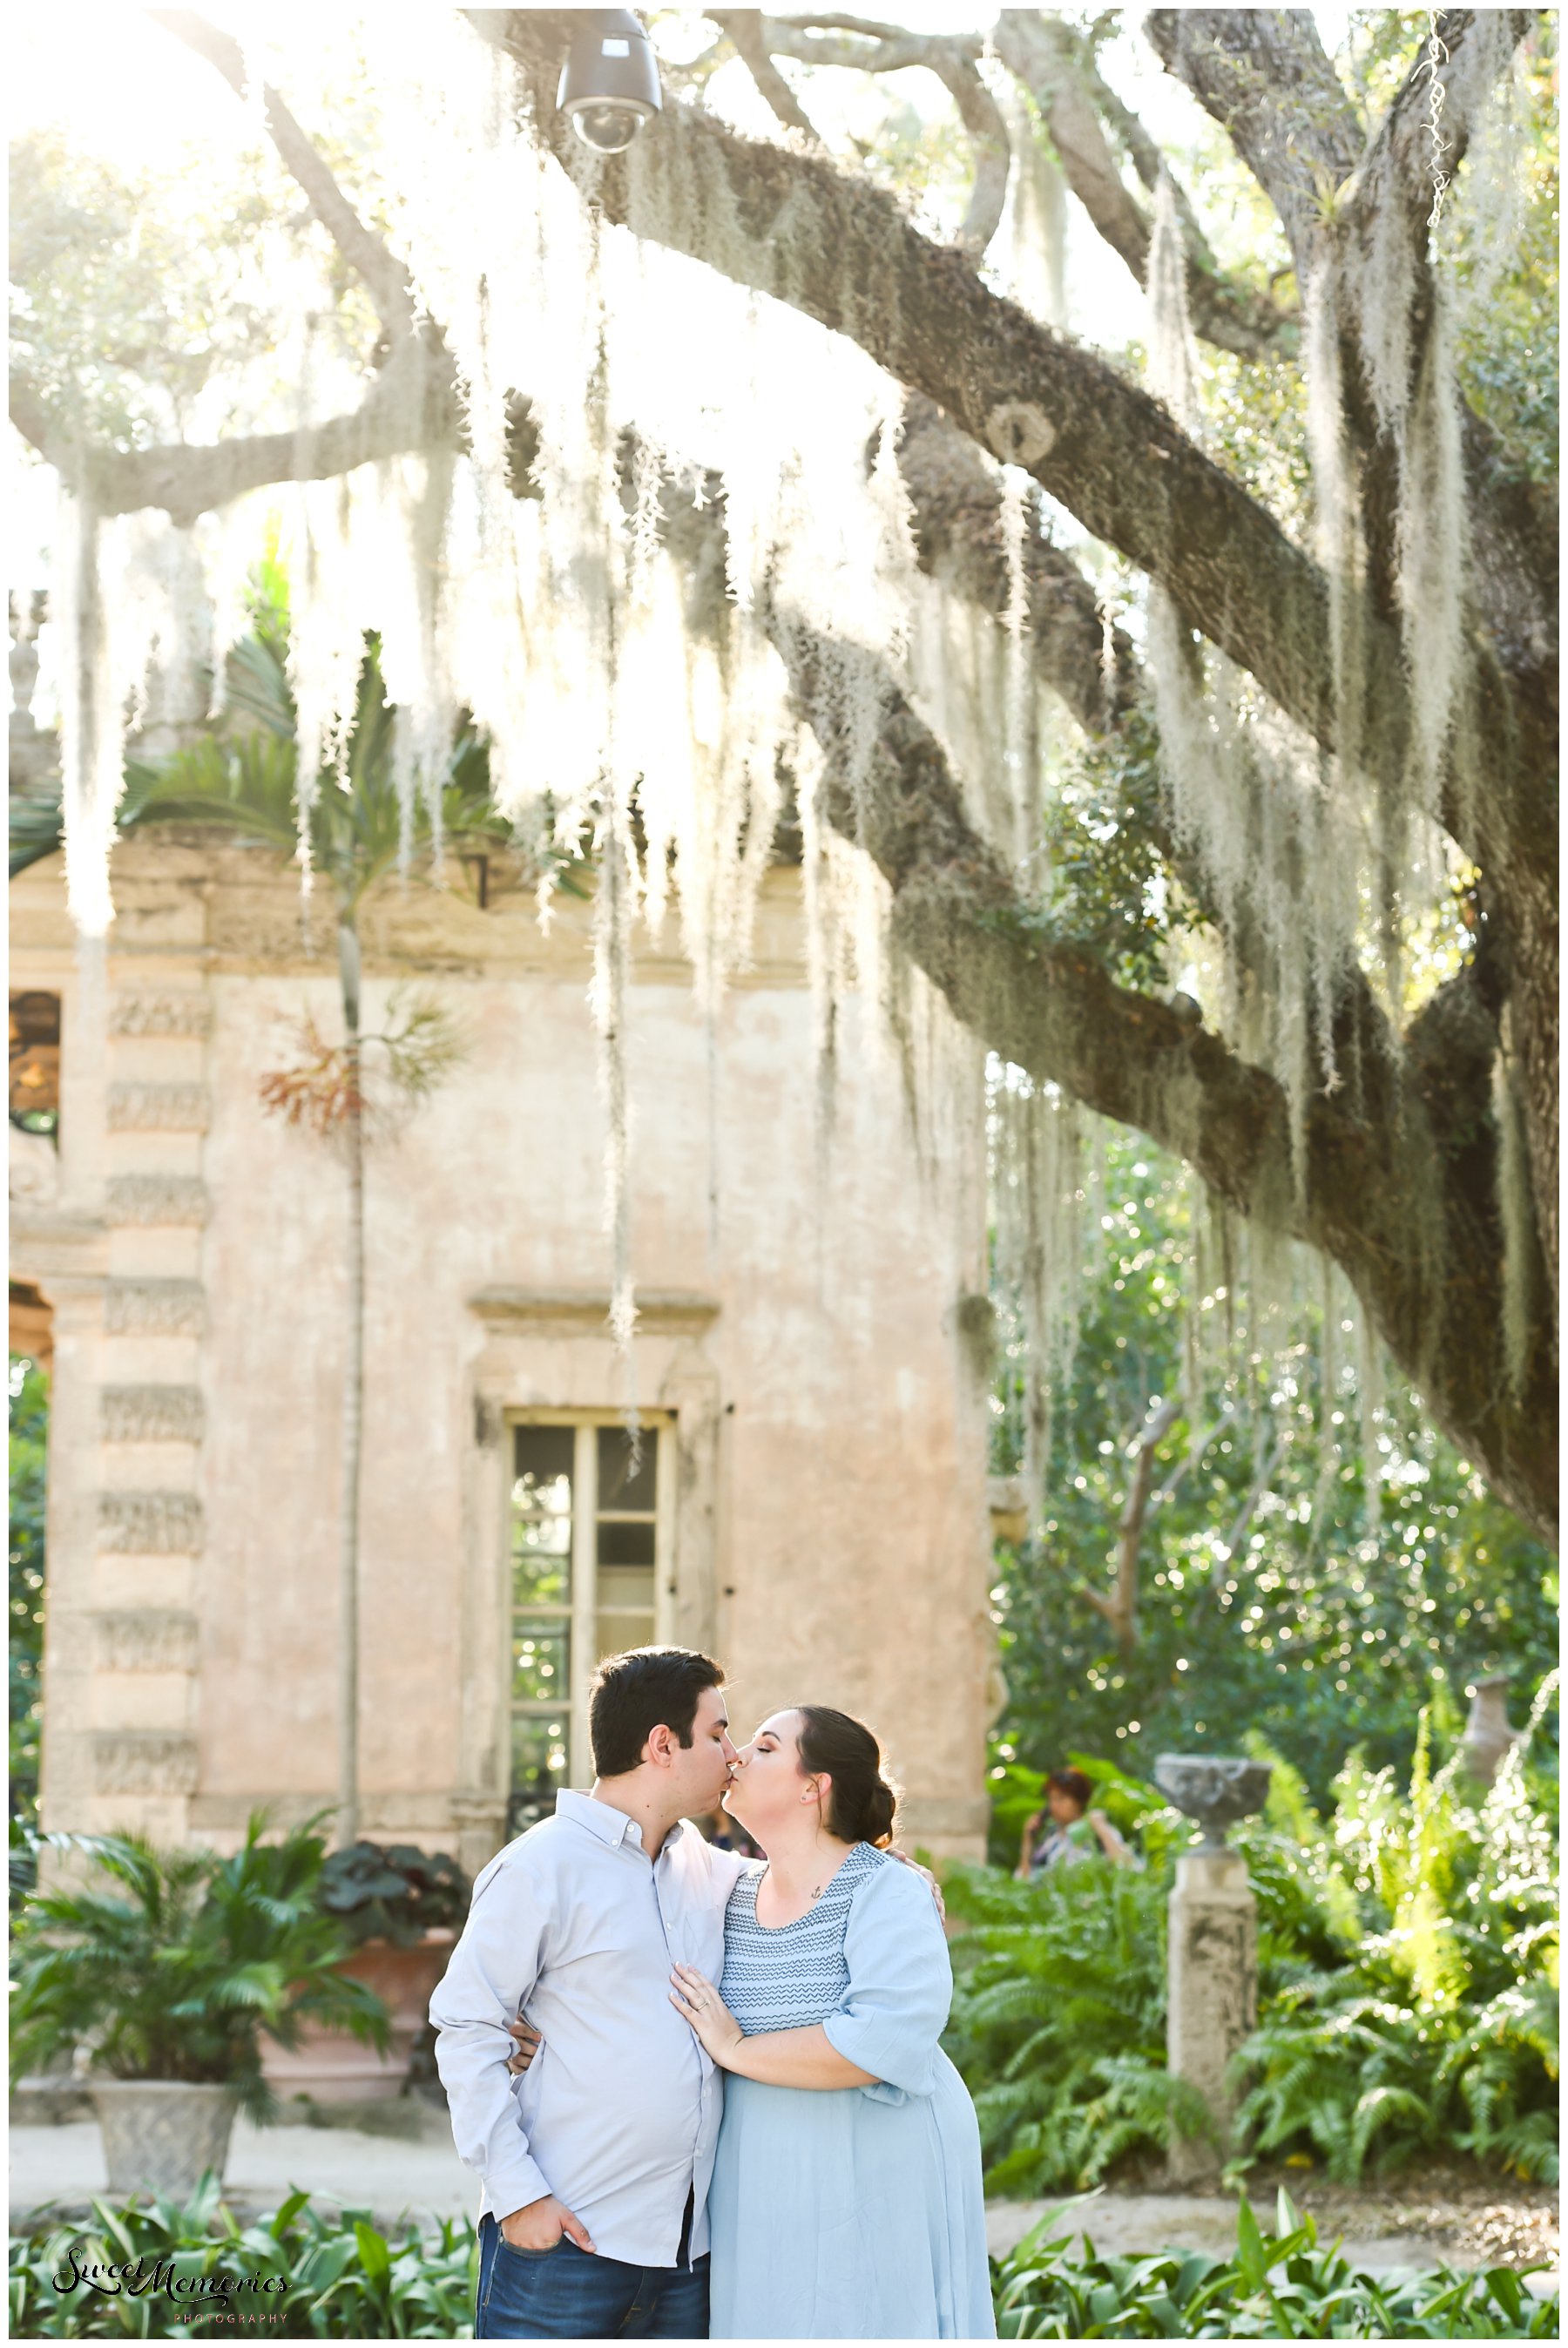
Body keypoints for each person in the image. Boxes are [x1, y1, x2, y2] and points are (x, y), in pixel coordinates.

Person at [430, 1646, 747, 2339]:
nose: (736, 1752)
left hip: (686, 2260)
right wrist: (521, 2200)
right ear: (663, 1744)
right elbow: (466, 2028)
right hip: (565, 2249)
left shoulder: (710, 1868)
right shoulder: (539, 1865)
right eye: (719, 1732)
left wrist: (886, 1871)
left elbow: (802, 1887)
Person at [667, 1706, 995, 2340]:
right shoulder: (728, 1887)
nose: (736, 1756)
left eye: (763, 1747)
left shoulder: (887, 1891)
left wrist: (735, 2047)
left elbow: (883, 2038)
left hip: (877, 2162)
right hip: (760, 2177)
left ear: (812, 1786)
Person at [1015, 1767, 1133, 1880]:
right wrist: (1028, 1841)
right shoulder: (1050, 1842)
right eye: (1051, 1799)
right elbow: (1023, 1882)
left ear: (1079, 1801)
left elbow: (1127, 1867)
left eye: (1061, 1798)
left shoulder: (1096, 1833)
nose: (1053, 1805)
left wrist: (1102, 1828)